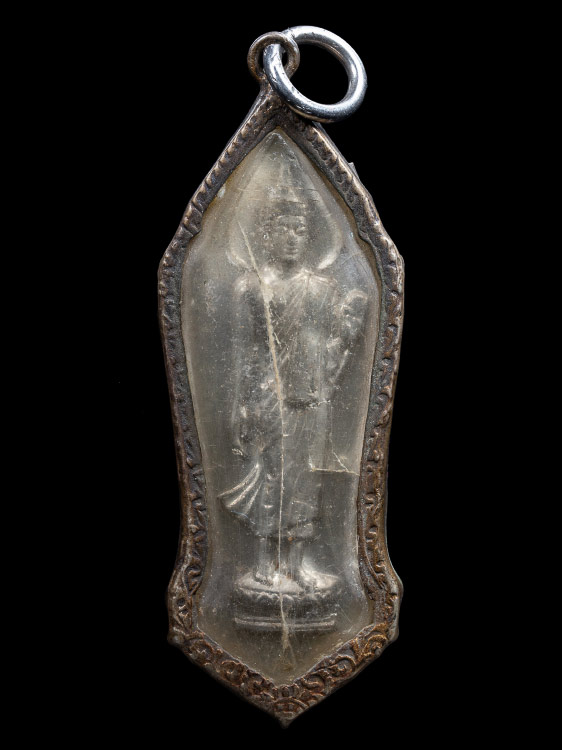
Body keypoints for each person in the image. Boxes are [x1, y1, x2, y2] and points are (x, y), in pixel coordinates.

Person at [219, 190, 367, 598]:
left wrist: (347, 334)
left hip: (310, 396)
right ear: (266, 234)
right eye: (283, 228)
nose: (292, 237)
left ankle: (297, 565)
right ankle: (263, 561)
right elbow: (244, 352)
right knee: (274, 478)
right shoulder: (251, 287)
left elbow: (329, 346)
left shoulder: (322, 289)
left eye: (300, 230)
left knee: (306, 483)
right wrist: (241, 406)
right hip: (270, 396)